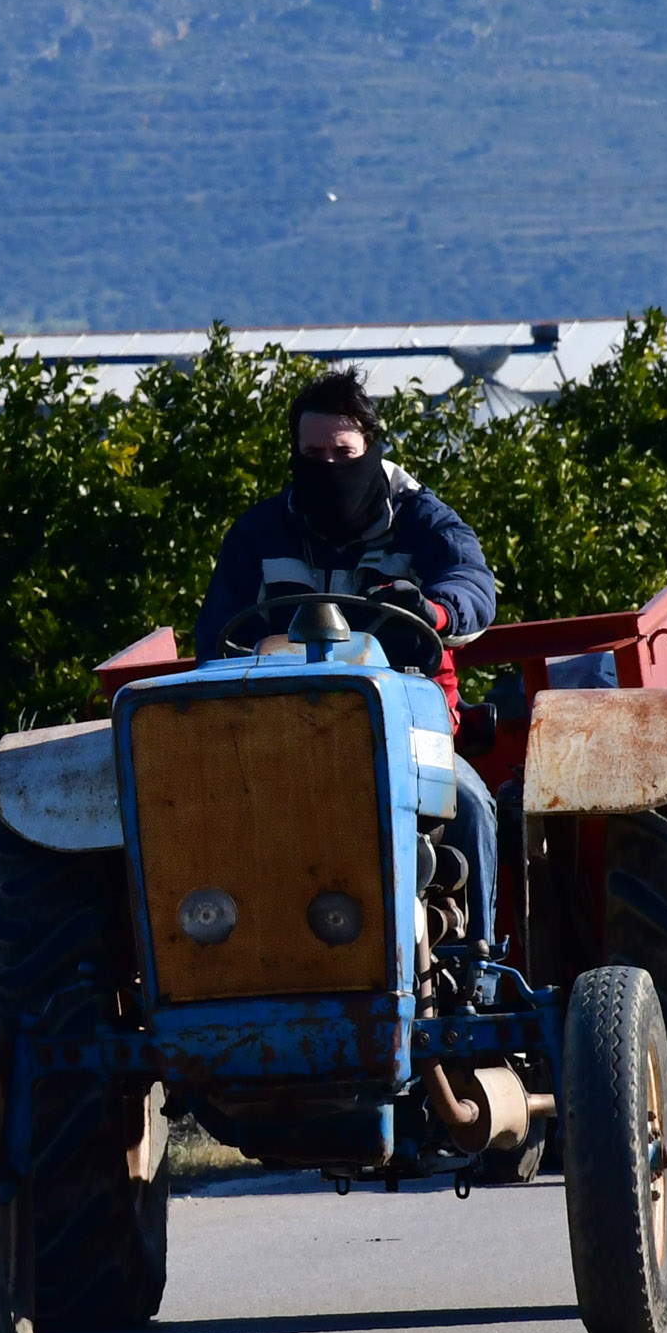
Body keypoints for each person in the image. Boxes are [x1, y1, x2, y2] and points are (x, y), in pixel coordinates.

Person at [194, 370, 503, 963]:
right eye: (314, 455)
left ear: (371, 450)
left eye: (344, 453)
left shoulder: (424, 523)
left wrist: (432, 610)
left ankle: (475, 963)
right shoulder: (259, 533)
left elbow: (473, 587)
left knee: (469, 803)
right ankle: (221, 953)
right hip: (278, 734)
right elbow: (217, 638)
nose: (329, 468)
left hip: (409, 731)